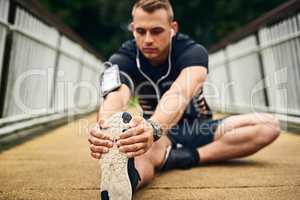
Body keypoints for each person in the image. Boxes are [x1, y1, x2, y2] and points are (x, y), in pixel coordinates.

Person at [88, 0, 280, 199]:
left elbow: (178, 94)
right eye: (140, 31)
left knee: (269, 126)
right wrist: (106, 126)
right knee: (142, 152)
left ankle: (183, 158)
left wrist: (154, 127)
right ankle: (127, 184)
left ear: (173, 28)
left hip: (199, 129)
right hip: (160, 135)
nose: (148, 40)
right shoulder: (121, 58)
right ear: (132, 29)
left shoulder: (193, 52)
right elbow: (115, 96)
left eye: (156, 31)